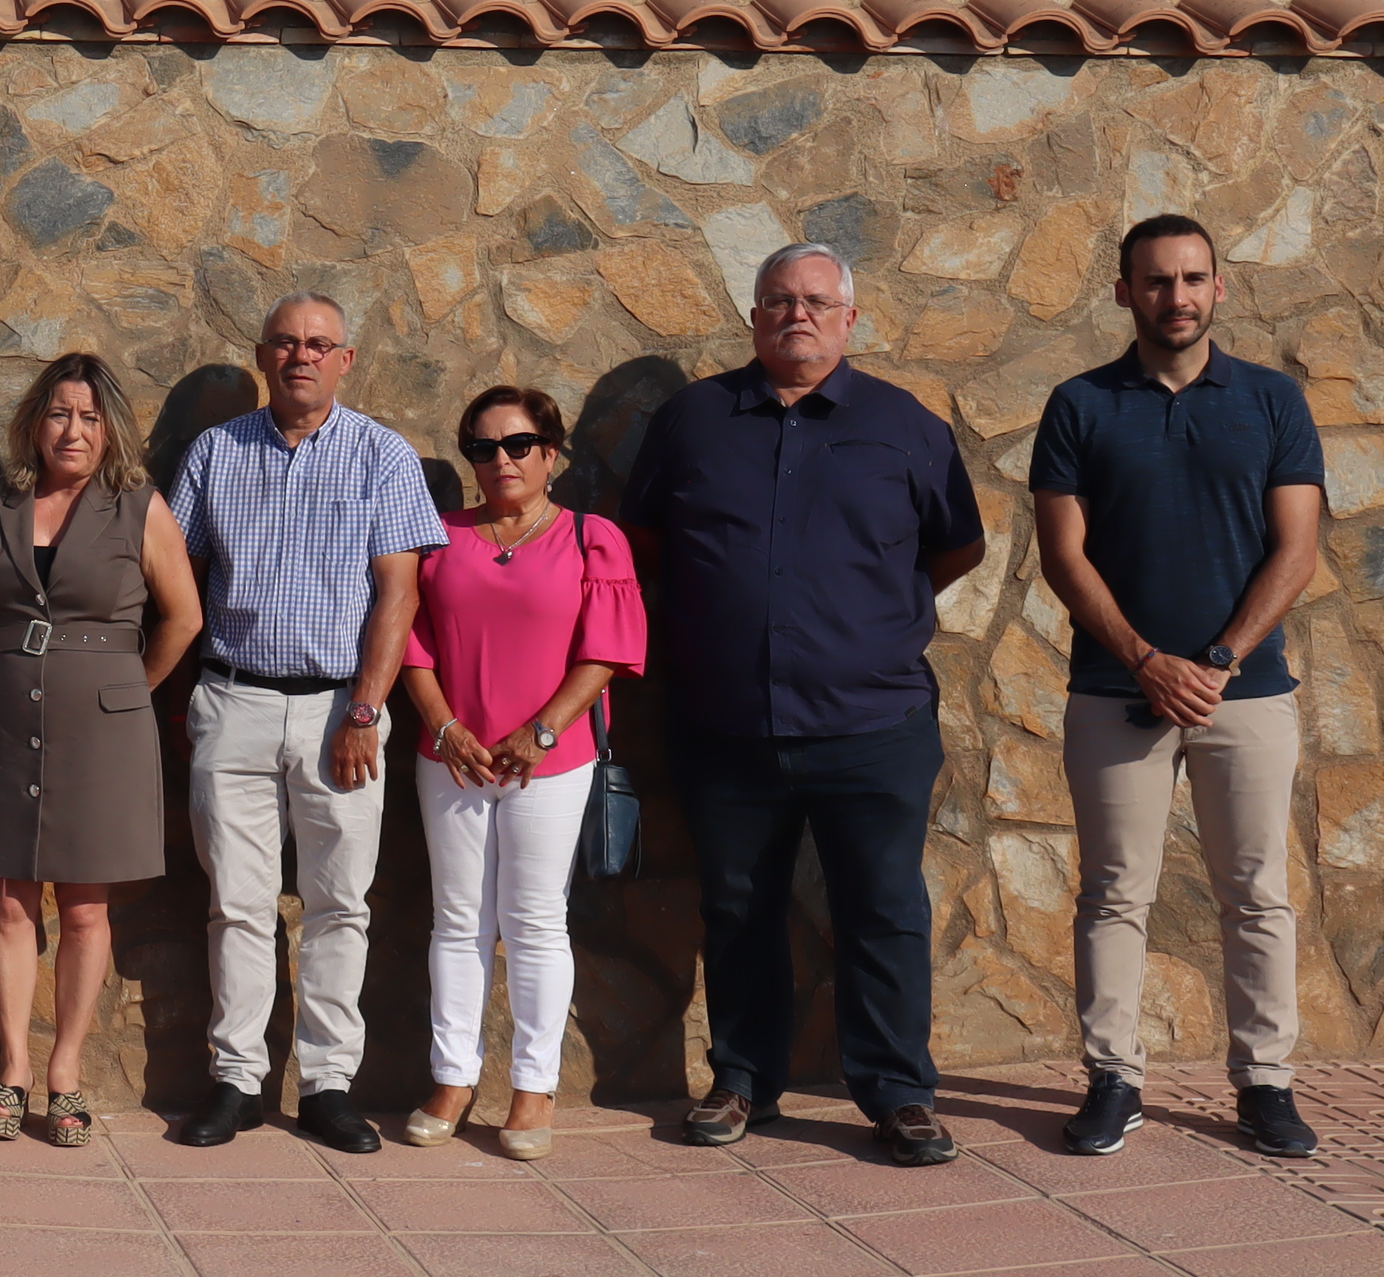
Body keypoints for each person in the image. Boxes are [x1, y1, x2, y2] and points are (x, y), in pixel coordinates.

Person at [629, 243, 984, 1166]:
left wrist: (860, 624)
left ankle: (900, 1094)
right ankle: (745, 1080)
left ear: (850, 318)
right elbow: (650, 544)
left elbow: (954, 547)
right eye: (780, 301)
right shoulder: (693, 420)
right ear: (753, 317)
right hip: (727, 723)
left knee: (884, 910)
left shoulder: (905, 427)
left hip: (873, 724)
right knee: (739, 909)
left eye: (818, 302)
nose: (799, 315)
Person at [1033, 214, 1328, 1160]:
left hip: (1247, 693)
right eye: (1156, 282)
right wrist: (1146, 661)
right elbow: (1063, 555)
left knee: (1257, 892)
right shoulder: (1079, 405)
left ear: (1220, 289)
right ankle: (1114, 1079)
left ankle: (1266, 1086)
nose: (1177, 297)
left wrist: (1220, 662)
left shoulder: (1274, 401)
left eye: (1194, 279)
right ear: (1124, 292)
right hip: (1116, 691)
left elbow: (1298, 550)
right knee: (1116, 893)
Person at [163, 293, 445, 1153]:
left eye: (319, 345)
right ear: (261, 354)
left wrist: (366, 708)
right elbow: (178, 576)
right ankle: (237, 1080)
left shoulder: (382, 458)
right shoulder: (215, 453)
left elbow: (399, 593)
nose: (301, 358)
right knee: (237, 905)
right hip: (234, 699)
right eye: (285, 343)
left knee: (337, 906)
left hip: (339, 711)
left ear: (345, 359)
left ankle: (328, 1085)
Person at [0, 353, 200, 1146]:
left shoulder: (140, 507)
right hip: (3, 721)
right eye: (60, 413)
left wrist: (130, 689)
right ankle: (12, 1068)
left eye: (90, 417)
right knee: (8, 899)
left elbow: (184, 619)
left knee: (87, 906)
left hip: (107, 728)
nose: (74, 430)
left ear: (111, 428)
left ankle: (65, 1072)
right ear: (35, 421)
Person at [396, 386, 643, 1161]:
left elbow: (606, 649)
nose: (500, 460)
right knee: (458, 920)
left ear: (552, 453)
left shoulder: (590, 539)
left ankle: (534, 1087)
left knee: (535, 921)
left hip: (552, 761)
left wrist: (540, 733)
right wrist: (444, 726)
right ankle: (453, 1077)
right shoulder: (438, 537)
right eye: (482, 447)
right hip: (453, 759)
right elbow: (411, 644)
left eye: (518, 444)